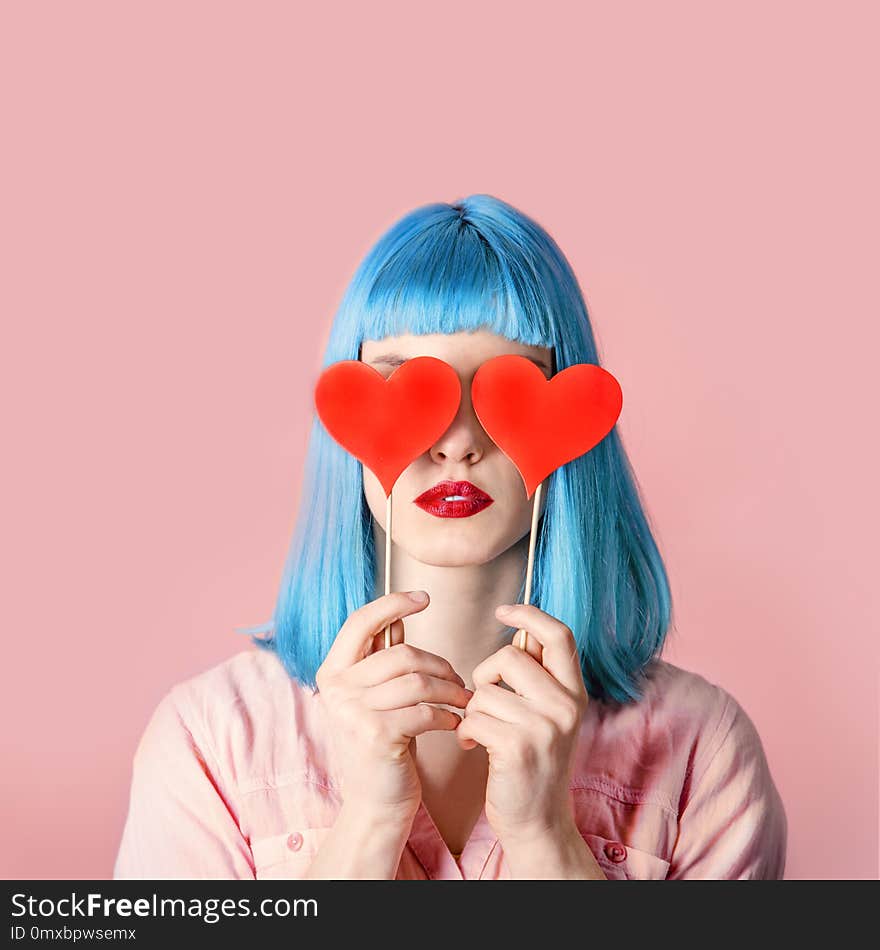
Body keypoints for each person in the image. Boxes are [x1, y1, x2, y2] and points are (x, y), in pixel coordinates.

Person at [113, 195, 787, 880]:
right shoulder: (210, 740)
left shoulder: (702, 749)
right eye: (406, 386)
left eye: (511, 387)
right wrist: (371, 822)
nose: (457, 443)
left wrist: (544, 838)